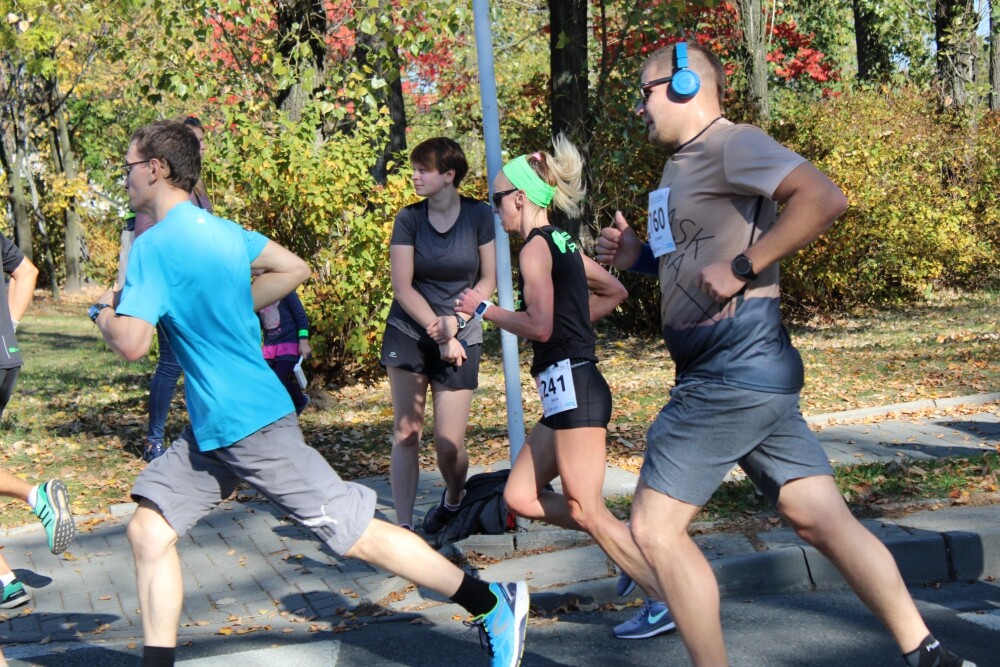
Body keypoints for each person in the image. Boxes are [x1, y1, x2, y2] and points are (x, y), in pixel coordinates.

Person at [91, 120, 527, 667]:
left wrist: (101, 312)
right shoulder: (223, 231)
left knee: (358, 533)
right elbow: (291, 267)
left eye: (129, 166)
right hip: (212, 429)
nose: (126, 177)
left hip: (248, 426)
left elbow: (131, 342)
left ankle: (491, 602)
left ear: (156, 169)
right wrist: (233, 307)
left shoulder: (153, 245)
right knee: (148, 528)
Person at [595, 41, 974, 667]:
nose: (641, 106)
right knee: (817, 518)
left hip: (727, 374)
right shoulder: (676, 169)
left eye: (647, 90)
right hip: (751, 375)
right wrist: (636, 255)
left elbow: (824, 197)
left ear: (686, 85)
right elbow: (685, 264)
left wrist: (747, 264)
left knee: (652, 532)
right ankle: (928, 653)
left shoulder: (732, 143)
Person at [456, 137, 673, 641]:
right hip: (564, 392)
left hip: (575, 388)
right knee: (520, 495)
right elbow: (613, 290)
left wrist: (484, 311)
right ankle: (622, 544)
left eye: (496, 200)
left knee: (586, 508)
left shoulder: (535, 249)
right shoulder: (562, 242)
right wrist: (573, 328)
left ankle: (662, 598)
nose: (495, 212)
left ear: (519, 198)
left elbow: (538, 325)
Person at [381, 137, 497, 533]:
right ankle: (404, 529)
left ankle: (453, 497)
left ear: (449, 175)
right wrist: (440, 330)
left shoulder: (479, 215)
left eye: (423, 170)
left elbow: (488, 280)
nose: (414, 176)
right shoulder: (409, 218)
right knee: (407, 431)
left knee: (448, 444)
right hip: (408, 332)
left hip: (462, 333)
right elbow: (403, 287)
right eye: (414, 169)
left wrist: (458, 325)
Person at [121, 115, 212, 463]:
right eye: (196, 141)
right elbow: (148, 237)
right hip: (171, 294)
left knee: (188, 362)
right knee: (172, 363)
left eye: (203, 141)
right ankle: (154, 440)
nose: (201, 147)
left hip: (195, 292)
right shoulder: (161, 199)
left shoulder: (197, 189)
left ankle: (199, 432)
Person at [0, 234, 76, 614]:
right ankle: (6, 583)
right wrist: (5, 329)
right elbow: (26, 272)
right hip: (4, 359)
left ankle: (36, 496)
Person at [257, 290, 311, 414]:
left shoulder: (285, 290)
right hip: (270, 348)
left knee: (277, 378)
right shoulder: (257, 292)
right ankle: (275, 410)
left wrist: (303, 340)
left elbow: (301, 316)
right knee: (263, 378)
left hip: (290, 346)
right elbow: (256, 322)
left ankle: (299, 401)